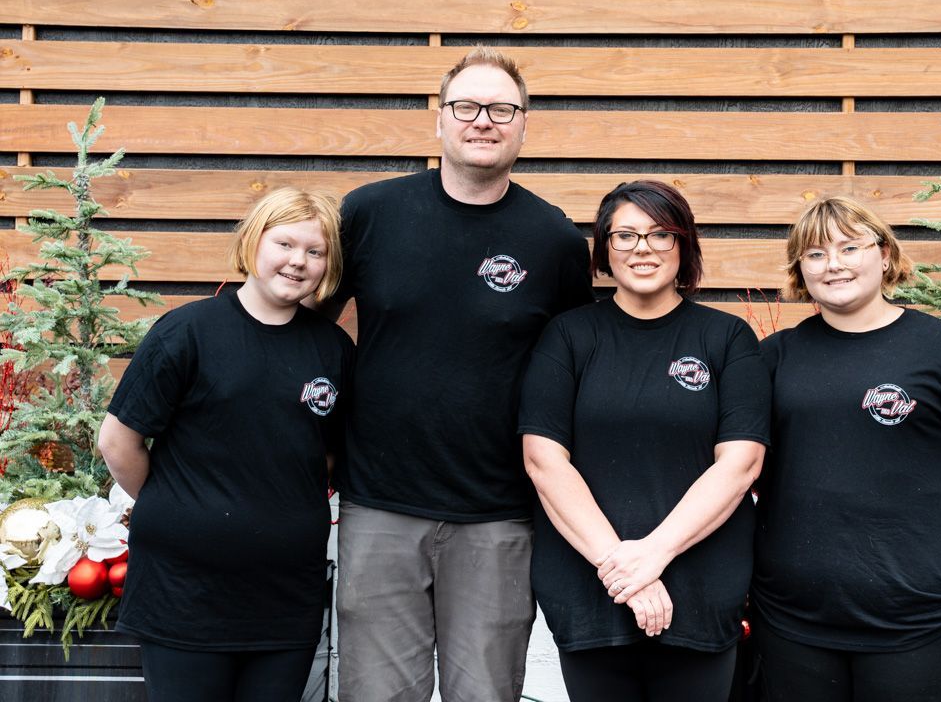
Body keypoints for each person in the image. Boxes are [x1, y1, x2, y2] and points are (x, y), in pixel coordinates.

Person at [315, 47, 594, 702]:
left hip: (498, 514)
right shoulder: (369, 214)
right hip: (377, 503)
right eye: (466, 106)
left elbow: (577, 367)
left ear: (524, 124)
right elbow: (307, 331)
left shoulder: (552, 239)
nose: (483, 121)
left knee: (487, 694)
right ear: (439, 120)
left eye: (502, 108)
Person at [752, 196, 941, 702]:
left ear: (884, 255)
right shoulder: (773, 359)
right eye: (814, 254)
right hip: (794, 623)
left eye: (849, 247)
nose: (833, 264)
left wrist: (916, 516)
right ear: (800, 271)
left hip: (922, 623)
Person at [98, 188, 354, 702]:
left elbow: (324, 456)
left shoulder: (332, 350)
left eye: (315, 251)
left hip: (284, 599)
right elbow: (118, 440)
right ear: (254, 242)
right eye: (284, 243)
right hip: (184, 594)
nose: (297, 261)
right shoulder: (188, 331)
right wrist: (180, 503)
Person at [517, 180, 770, 701]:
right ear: (604, 249)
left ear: (685, 245)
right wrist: (624, 569)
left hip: (699, 591)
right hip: (591, 591)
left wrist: (653, 555)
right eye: (625, 235)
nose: (643, 249)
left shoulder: (726, 339)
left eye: (660, 234)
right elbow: (544, 460)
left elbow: (740, 463)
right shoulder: (569, 336)